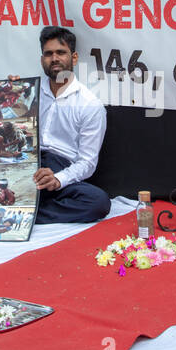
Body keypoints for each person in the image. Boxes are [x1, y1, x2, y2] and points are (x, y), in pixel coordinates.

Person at [34, 26, 111, 224]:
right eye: (48, 53)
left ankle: (32, 214)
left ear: (74, 58)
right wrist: (12, 91)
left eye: (61, 52)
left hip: (62, 169)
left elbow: (87, 163)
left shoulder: (90, 104)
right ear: (42, 59)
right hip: (29, 165)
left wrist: (58, 179)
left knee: (99, 202)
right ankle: (29, 207)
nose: (54, 58)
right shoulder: (29, 92)